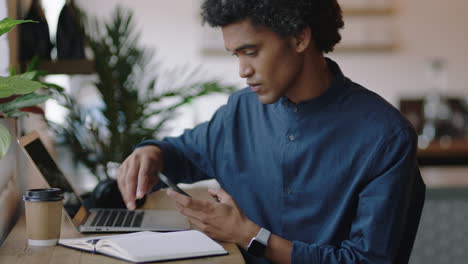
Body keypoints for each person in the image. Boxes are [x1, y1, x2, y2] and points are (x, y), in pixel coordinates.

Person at [117, 0, 426, 263]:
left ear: (299, 38)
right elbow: (181, 152)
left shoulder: (385, 136)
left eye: (251, 51)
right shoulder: (240, 111)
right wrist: (151, 153)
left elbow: (363, 260)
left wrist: (248, 235)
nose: (243, 71)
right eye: (235, 55)